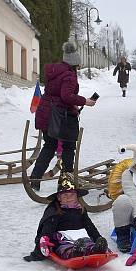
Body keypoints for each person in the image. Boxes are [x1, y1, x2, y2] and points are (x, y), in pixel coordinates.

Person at [30, 41, 96, 190]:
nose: (79, 68)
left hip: (47, 113)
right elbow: (66, 96)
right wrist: (84, 101)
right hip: (59, 116)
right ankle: (66, 183)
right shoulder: (69, 75)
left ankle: (35, 179)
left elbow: (59, 95)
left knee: (49, 146)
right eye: (78, 65)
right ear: (74, 63)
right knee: (68, 147)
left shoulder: (56, 72)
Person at [23, 173, 109, 262]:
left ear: (77, 196)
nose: (69, 198)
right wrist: (44, 240)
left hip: (81, 239)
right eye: (65, 195)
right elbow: (48, 227)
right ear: (59, 198)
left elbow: (89, 227)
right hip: (62, 240)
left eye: (72, 195)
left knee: (87, 243)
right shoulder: (55, 211)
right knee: (65, 248)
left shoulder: (81, 210)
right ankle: (74, 253)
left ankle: (95, 250)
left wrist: (98, 238)